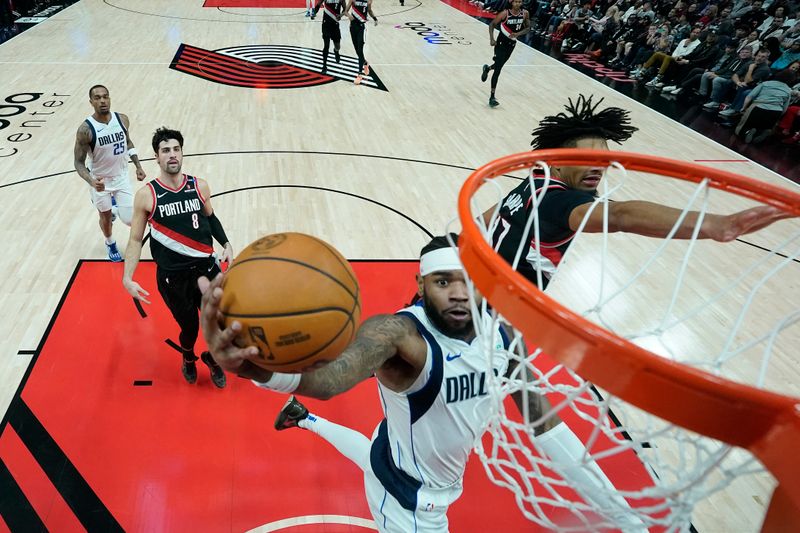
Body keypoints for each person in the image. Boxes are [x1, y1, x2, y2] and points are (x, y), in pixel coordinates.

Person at [198, 235, 644, 532]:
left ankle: (304, 419)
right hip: (411, 506)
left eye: (468, 281)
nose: (458, 293)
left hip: (392, 449)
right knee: (379, 462)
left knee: (371, 453)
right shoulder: (399, 335)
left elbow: (544, 423)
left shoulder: (502, 334)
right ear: (421, 283)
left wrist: (627, 518)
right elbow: (333, 377)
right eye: (443, 281)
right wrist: (255, 370)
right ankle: (305, 416)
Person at [484, 94, 790, 289]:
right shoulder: (558, 201)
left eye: (603, 160)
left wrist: (461, 247)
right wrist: (715, 224)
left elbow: (487, 218)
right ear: (558, 162)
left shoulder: (535, 180)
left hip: (479, 276)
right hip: (497, 300)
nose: (598, 168)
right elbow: (621, 215)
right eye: (586, 159)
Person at [123, 127, 232, 388]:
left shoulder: (199, 186)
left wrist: (226, 242)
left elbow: (210, 218)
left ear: (182, 153)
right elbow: (136, 239)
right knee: (190, 328)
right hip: (174, 278)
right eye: (165, 151)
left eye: (176, 149)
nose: (172, 155)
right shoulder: (147, 195)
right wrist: (127, 277)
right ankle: (188, 356)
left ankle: (212, 358)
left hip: (207, 270)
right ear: (156, 157)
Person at [73, 85, 146, 262]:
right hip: (100, 182)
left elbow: (128, 142)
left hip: (121, 177)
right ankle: (110, 242)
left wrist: (138, 165)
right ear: (91, 102)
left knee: (129, 220)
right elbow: (78, 163)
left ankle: (115, 207)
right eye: (97, 98)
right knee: (105, 218)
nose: (102, 101)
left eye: (105, 96)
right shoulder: (85, 130)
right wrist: (92, 181)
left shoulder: (122, 119)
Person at [481, 0, 531, 108]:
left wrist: (518, 33)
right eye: (516, 1)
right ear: (511, 2)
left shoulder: (525, 13)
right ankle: (492, 97)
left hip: (512, 44)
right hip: (501, 43)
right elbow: (492, 24)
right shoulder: (505, 13)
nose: (518, 4)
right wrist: (492, 39)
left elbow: (528, 28)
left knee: (499, 65)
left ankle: (487, 68)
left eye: (520, 2)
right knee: (498, 69)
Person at [345, 0, 378, 85]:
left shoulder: (369, 1)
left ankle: (359, 74)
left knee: (360, 50)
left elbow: (369, 10)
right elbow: (345, 11)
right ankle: (365, 63)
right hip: (353, 27)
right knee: (357, 51)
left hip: (362, 27)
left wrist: (375, 18)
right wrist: (349, 16)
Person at [311, 0, 345, 73]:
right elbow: (318, 5)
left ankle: (336, 51)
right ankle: (324, 65)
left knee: (338, 46)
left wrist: (341, 15)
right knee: (326, 45)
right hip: (326, 24)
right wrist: (314, 13)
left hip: (335, 24)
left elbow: (345, 9)